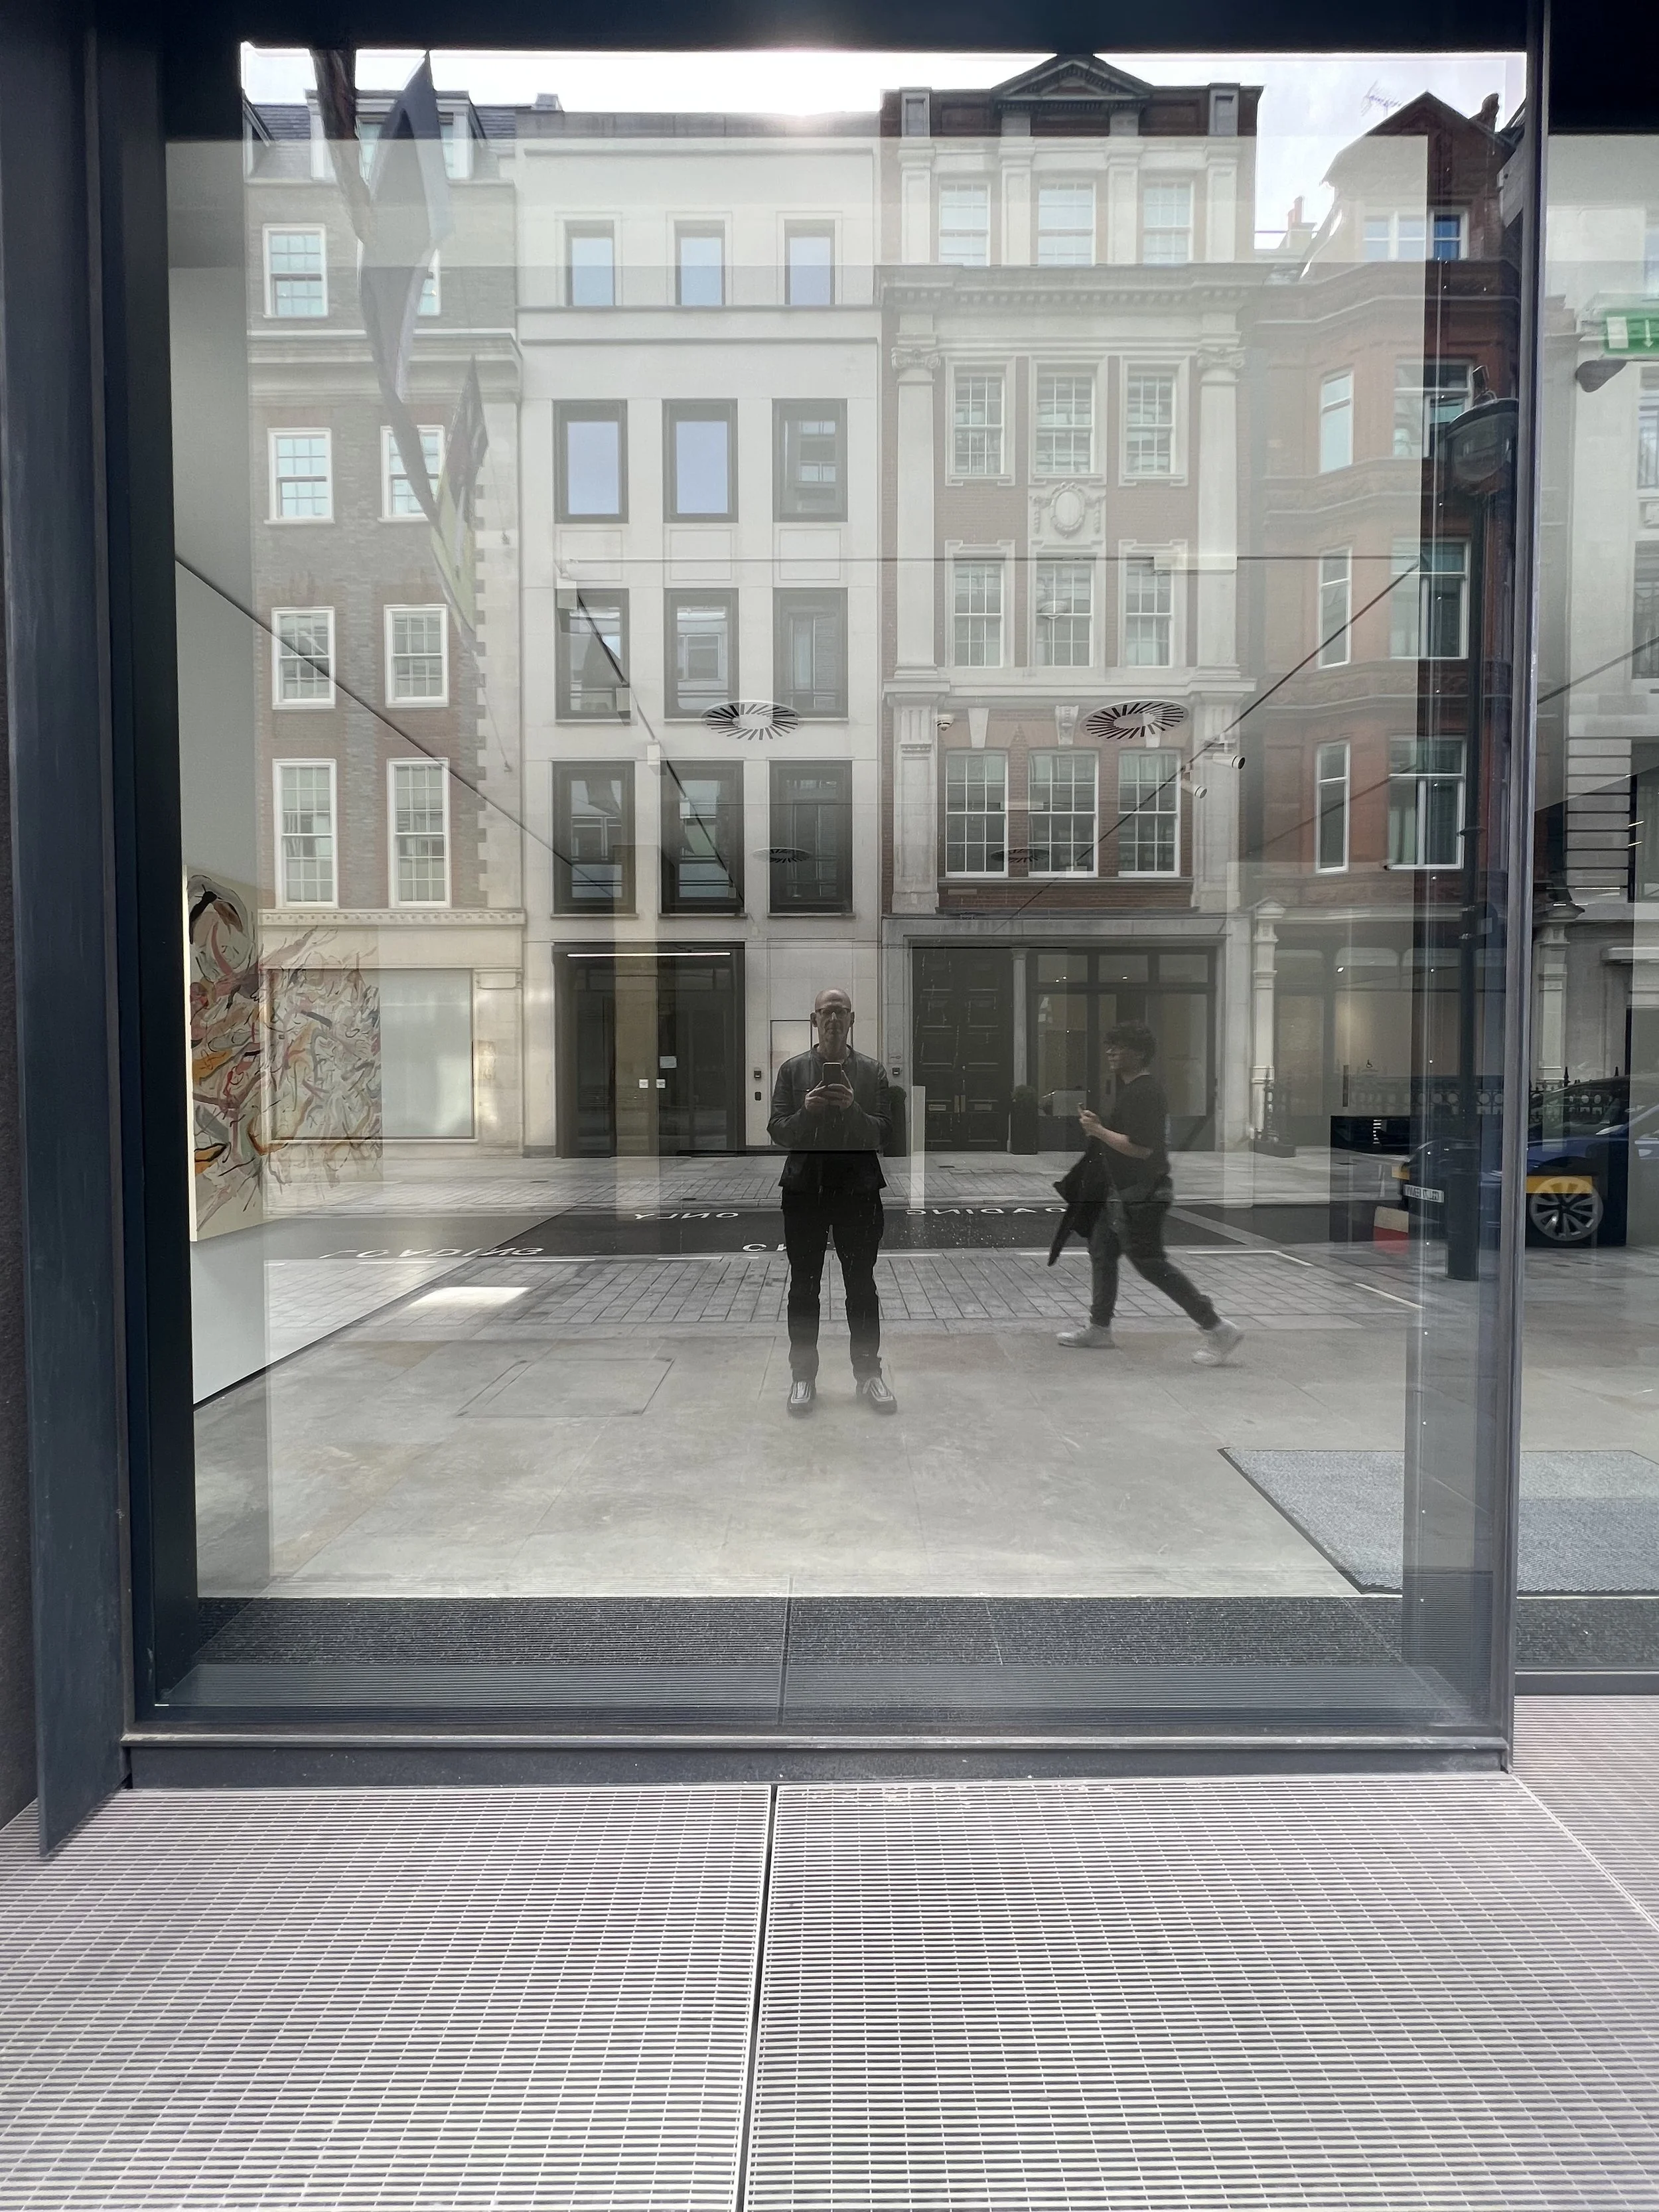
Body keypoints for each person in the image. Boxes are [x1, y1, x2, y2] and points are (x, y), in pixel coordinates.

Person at [1058, 1019, 1243, 1366]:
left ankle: (1217, 1328)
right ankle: (1099, 1328)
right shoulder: (1131, 1090)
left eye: (1120, 1045)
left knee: (1150, 1263)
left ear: (1140, 1053)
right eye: (1109, 1044)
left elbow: (1142, 1148)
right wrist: (1101, 1128)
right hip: (1123, 1193)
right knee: (1102, 1250)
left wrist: (1098, 1131)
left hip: (1143, 1194)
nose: (1111, 1051)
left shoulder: (1145, 1092)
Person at [768, 988, 897, 1416]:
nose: (833, 1019)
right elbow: (779, 1131)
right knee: (803, 1288)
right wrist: (808, 1111)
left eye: (841, 1012)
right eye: (826, 1012)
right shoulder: (792, 1071)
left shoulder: (872, 1072)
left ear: (852, 1019)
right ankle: (803, 1377)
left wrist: (853, 1109)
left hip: (857, 1191)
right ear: (814, 1018)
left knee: (862, 1286)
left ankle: (868, 1373)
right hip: (805, 1191)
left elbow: (884, 1133)